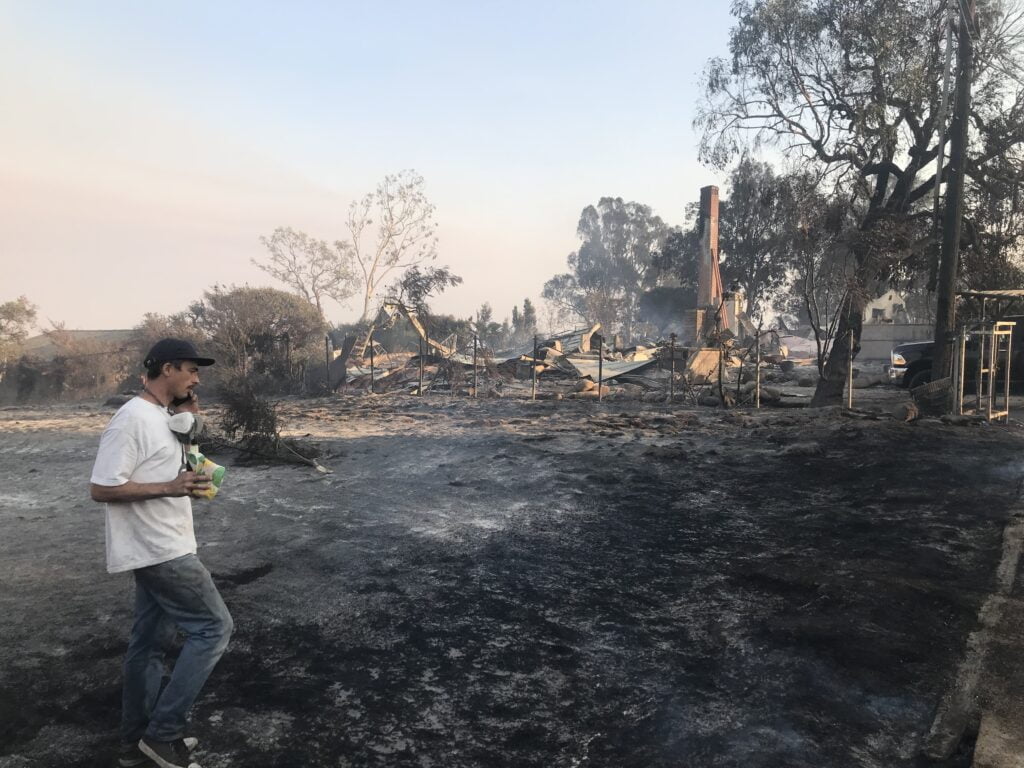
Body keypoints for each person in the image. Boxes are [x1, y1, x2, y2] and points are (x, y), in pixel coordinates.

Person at [90, 338, 232, 768]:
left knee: (149, 643)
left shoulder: (162, 417)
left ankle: (135, 738)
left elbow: (183, 460)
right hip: (161, 549)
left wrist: (189, 419)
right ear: (167, 369)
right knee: (214, 629)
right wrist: (168, 488)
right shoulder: (130, 419)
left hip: (161, 544)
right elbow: (102, 487)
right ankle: (163, 732)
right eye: (191, 370)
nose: (197, 378)